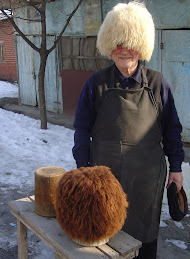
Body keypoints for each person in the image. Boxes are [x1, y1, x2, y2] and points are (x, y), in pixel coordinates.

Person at [72, 2, 184, 258]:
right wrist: (82, 167)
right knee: (105, 239)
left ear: (142, 46)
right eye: (118, 43)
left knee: (144, 241)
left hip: (146, 182)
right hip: (105, 181)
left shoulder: (157, 84)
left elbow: (172, 130)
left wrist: (176, 168)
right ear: (110, 46)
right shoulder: (96, 84)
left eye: (131, 43)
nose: (125, 51)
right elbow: (81, 128)